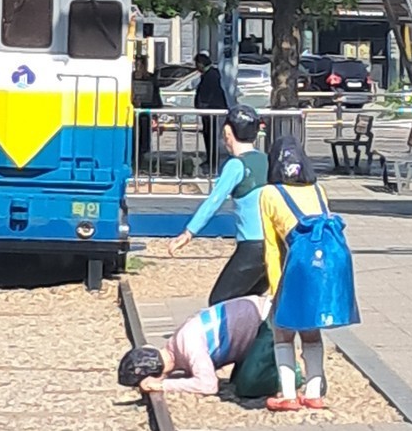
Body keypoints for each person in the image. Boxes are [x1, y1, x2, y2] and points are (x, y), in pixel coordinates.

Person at [259, 135, 360, 412]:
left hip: (301, 260)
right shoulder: (318, 189)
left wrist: (275, 290)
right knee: (311, 326)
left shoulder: (269, 194)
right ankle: (314, 392)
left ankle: (288, 395)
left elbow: (272, 247)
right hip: (332, 259)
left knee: (283, 329)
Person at [168, 105, 269, 305]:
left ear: (227, 133)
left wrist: (189, 232)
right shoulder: (266, 160)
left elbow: (214, 201)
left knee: (220, 300)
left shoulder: (236, 165)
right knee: (251, 300)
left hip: (251, 245)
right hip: (273, 243)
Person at [117, 295, 270, 395]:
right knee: (237, 381)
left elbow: (208, 385)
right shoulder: (178, 341)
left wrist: (163, 385)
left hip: (267, 323)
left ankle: (284, 379)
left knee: (248, 387)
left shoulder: (189, 346)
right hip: (256, 315)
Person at [193, 52, 228, 174]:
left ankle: (212, 161)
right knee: (208, 136)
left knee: (211, 136)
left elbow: (209, 94)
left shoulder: (211, 75)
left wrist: (203, 105)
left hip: (211, 111)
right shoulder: (209, 75)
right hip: (207, 111)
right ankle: (210, 159)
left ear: (200, 64)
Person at [131, 56, 162, 161]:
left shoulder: (151, 79)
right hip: (131, 114)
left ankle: (141, 157)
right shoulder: (129, 77)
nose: (138, 68)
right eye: (136, 65)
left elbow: (156, 99)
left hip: (145, 114)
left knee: (143, 140)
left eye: (141, 65)